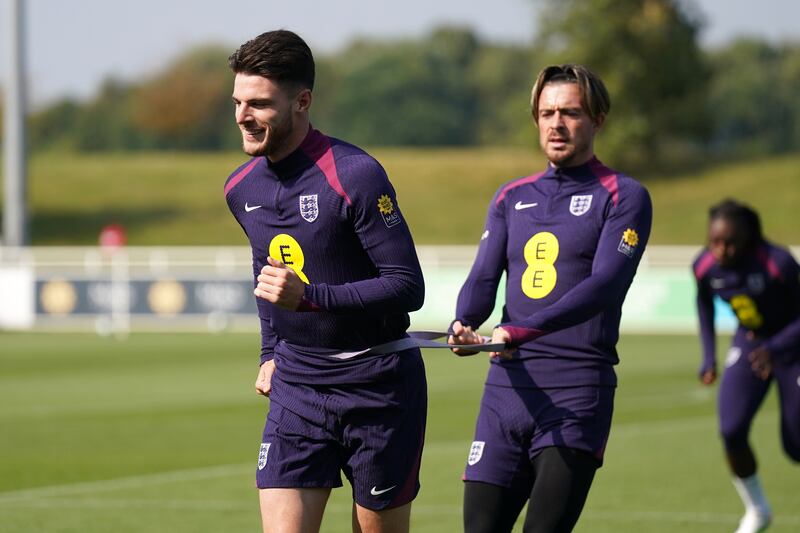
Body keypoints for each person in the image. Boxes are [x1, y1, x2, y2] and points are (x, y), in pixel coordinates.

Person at [223, 30, 427, 533]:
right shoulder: (240, 187)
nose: (243, 116)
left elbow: (407, 286)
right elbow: (266, 277)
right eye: (238, 101)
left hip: (378, 385)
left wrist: (311, 298)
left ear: (302, 101)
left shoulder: (355, 174)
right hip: (298, 385)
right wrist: (269, 352)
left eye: (259, 104)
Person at [448, 64, 652, 533]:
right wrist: (464, 322)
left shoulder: (624, 196)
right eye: (546, 113)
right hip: (506, 390)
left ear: (598, 119)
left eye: (570, 113)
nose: (556, 124)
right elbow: (483, 278)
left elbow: (606, 284)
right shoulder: (509, 196)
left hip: (576, 390)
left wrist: (521, 330)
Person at [693, 199, 800, 533]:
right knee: (731, 429)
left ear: (749, 237)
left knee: (796, 447)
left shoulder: (778, 263)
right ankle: (758, 510)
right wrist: (709, 357)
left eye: (729, 242)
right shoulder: (705, 266)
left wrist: (776, 346)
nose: (721, 250)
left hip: (792, 345)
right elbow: (704, 303)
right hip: (752, 343)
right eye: (715, 242)